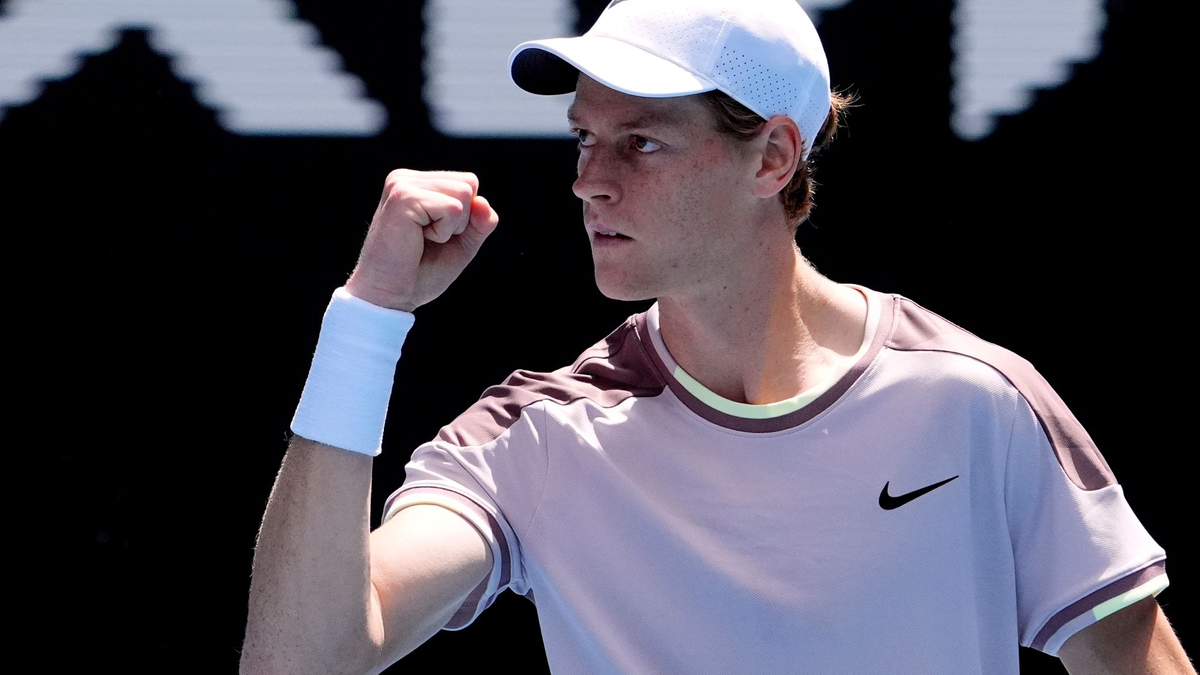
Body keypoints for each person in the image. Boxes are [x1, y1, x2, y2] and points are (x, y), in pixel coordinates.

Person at [240, 1, 1195, 673]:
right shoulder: (533, 438)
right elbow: (306, 661)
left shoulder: (980, 401)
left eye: (640, 142)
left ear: (773, 158)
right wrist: (366, 320)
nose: (590, 180)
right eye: (584, 139)